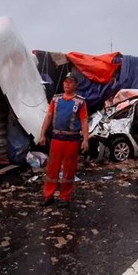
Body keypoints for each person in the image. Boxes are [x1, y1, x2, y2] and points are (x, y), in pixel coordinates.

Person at [38, 72, 89, 208]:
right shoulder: (56, 100)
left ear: (76, 85)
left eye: (70, 82)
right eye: (65, 81)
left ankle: (65, 197)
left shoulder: (80, 102)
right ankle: (48, 196)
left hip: (72, 140)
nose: (67, 84)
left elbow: (84, 121)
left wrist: (85, 140)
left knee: (69, 170)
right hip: (56, 139)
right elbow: (48, 117)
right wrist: (42, 134)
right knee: (52, 169)